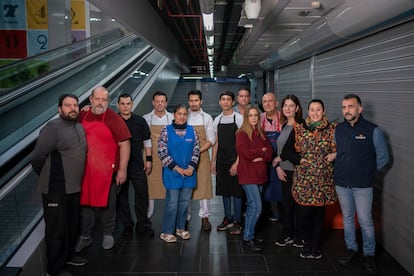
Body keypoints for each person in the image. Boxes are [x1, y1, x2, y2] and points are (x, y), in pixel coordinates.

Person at [31, 94, 87, 276]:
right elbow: (37, 157)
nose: (72, 108)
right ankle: (53, 270)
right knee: (57, 232)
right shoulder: (53, 128)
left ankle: (68, 256)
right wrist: (49, 176)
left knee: (72, 227)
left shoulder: (79, 127)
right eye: (67, 105)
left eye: (75, 105)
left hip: (74, 188)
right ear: (59, 109)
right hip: (55, 189)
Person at [334, 94, 389, 274]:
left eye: (350, 106)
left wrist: (368, 174)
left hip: (363, 185)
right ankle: (351, 249)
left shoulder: (373, 130)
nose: (346, 110)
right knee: (348, 218)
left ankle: (369, 255)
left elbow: (383, 157)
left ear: (360, 109)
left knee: (365, 220)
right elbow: (339, 153)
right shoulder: (339, 129)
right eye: (344, 107)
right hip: (342, 183)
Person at [75, 86, 131, 252]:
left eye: (104, 100)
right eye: (97, 99)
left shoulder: (114, 118)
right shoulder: (81, 115)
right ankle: (85, 236)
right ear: (90, 99)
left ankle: (108, 233)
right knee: (85, 206)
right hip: (84, 172)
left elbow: (125, 144)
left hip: (109, 173)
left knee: (108, 205)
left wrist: (122, 169)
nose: (100, 103)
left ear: (108, 101)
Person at [282, 99, 337, 259]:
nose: (315, 113)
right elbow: (286, 151)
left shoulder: (332, 129)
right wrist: (300, 160)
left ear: (324, 111)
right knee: (305, 214)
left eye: (318, 109)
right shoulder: (299, 129)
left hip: (323, 181)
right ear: (307, 111)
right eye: (312, 110)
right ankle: (306, 244)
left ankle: (316, 246)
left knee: (319, 215)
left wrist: (335, 154)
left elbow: (344, 148)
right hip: (304, 181)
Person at [158, 104, 200, 243]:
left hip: (189, 173)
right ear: (174, 115)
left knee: (184, 203)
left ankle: (180, 228)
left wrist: (191, 167)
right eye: (179, 114)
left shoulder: (192, 131)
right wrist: (177, 168)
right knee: (172, 203)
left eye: (184, 114)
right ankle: (166, 231)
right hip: (173, 173)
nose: (182, 116)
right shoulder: (166, 131)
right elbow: (162, 152)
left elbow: (196, 150)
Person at [236, 106, 273, 251]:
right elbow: (245, 153)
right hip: (247, 174)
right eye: (250, 115)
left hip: (260, 174)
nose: (253, 118)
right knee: (257, 206)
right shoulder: (241, 133)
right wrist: (260, 151)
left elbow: (269, 152)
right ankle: (248, 237)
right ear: (246, 117)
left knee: (252, 206)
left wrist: (262, 155)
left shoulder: (261, 133)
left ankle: (248, 233)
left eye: (255, 115)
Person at [116, 94, 154, 237]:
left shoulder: (140, 121)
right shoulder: (114, 121)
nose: (125, 106)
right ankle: (127, 225)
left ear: (132, 105)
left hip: (138, 165)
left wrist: (149, 159)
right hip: (120, 167)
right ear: (118, 105)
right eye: (123, 104)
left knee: (142, 196)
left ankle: (142, 224)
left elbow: (147, 140)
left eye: (128, 103)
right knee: (121, 197)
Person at [272, 94, 305, 248]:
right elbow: (279, 150)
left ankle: (298, 236)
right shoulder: (285, 125)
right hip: (284, 171)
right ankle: (288, 233)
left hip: (296, 172)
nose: (288, 109)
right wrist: (278, 167)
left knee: (298, 205)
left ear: (297, 108)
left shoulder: (302, 126)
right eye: (285, 105)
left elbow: (298, 152)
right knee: (287, 204)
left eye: (291, 106)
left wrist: (280, 159)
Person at [212, 91, 244, 234]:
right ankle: (228, 218)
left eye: (228, 99)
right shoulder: (217, 120)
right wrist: (213, 161)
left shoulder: (239, 118)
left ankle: (237, 220)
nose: (225, 102)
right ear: (219, 102)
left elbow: (243, 143)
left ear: (233, 102)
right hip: (221, 160)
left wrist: (237, 163)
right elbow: (216, 143)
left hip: (235, 159)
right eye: (223, 99)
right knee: (224, 190)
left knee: (236, 191)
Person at [187, 89, 216, 231]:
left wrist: (197, 151)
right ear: (188, 102)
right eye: (191, 100)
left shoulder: (207, 118)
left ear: (201, 101)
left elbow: (211, 139)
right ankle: (184, 217)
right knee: (185, 187)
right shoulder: (182, 116)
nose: (193, 103)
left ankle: (205, 217)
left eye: (196, 100)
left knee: (203, 187)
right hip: (184, 157)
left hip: (202, 156)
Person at [143, 91, 174, 222]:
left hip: (169, 157)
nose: (160, 104)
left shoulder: (172, 117)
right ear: (153, 102)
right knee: (150, 186)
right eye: (157, 101)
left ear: (166, 103)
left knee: (171, 186)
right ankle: (148, 216)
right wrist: (148, 159)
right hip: (151, 156)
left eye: (162, 101)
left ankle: (171, 216)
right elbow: (145, 139)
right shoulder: (146, 118)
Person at [260, 92, 283, 222]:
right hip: (264, 160)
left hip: (280, 159)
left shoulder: (283, 118)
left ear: (277, 103)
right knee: (265, 186)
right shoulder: (259, 118)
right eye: (265, 102)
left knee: (280, 187)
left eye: (270, 101)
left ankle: (281, 215)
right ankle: (266, 213)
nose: (267, 104)